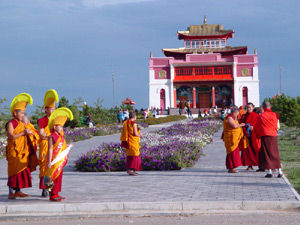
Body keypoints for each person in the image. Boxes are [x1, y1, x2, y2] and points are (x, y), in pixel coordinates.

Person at [6, 93, 33, 199]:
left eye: (23, 113)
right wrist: (23, 133)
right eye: (21, 113)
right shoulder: (10, 123)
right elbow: (11, 136)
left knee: (21, 171)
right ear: (15, 113)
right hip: (13, 150)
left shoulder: (22, 124)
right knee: (13, 171)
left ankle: (18, 191)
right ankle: (10, 192)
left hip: (22, 151)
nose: (22, 115)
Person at [44, 107, 73, 201]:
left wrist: (68, 146)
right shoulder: (51, 136)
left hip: (59, 161)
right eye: (60, 126)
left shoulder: (60, 136)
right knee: (53, 177)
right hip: (53, 160)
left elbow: (62, 146)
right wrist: (49, 161)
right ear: (54, 126)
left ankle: (56, 193)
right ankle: (52, 195)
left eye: (62, 126)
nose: (61, 128)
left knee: (59, 178)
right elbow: (50, 149)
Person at [38, 89, 59, 197]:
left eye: (53, 108)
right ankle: (44, 188)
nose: (52, 110)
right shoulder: (42, 120)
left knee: (54, 166)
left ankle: (52, 188)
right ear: (46, 109)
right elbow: (41, 134)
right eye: (50, 108)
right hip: (45, 146)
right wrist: (50, 136)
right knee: (44, 167)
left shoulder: (56, 120)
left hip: (55, 146)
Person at [253, 102, 282, 178]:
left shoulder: (261, 116)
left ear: (263, 107)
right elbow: (277, 125)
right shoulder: (275, 114)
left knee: (267, 153)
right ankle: (279, 171)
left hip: (265, 135)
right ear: (270, 106)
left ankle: (269, 172)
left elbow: (257, 127)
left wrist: (257, 133)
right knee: (275, 152)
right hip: (274, 135)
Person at [222, 106, 245, 173]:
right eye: (237, 113)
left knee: (234, 153)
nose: (238, 114)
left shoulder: (232, 117)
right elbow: (234, 126)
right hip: (231, 139)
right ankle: (232, 168)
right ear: (235, 112)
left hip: (233, 138)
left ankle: (232, 167)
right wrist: (241, 125)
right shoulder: (229, 118)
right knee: (232, 153)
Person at [120, 112, 143, 176]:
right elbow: (135, 133)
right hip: (133, 141)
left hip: (128, 141)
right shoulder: (134, 124)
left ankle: (129, 169)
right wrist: (140, 135)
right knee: (135, 155)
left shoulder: (126, 122)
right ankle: (132, 170)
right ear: (134, 117)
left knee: (130, 156)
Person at [239, 103, 259, 171]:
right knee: (247, 151)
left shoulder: (256, 116)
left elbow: (259, 125)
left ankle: (260, 165)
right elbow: (240, 123)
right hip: (246, 136)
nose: (248, 109)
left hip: (254, 136)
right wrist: (244, 125)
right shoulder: (244, 116)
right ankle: (249, 165)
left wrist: (253, 128)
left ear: (253, 107)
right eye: (247, 107)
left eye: (250, 107)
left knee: (255, 150)